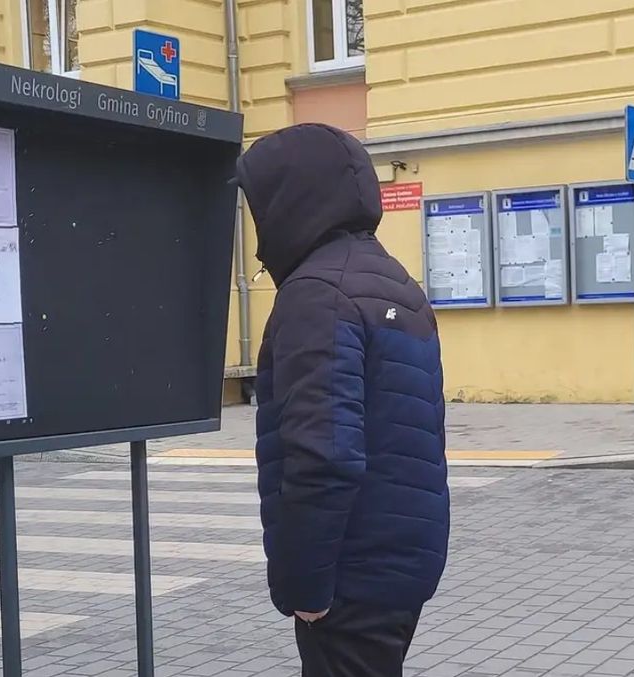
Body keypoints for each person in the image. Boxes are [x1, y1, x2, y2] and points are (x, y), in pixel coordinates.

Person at [235, 123, 450, 677]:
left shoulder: (318, 293)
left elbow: (324, 453)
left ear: (288, 201)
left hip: (349, 576)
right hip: (403, 564)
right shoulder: (396, 283)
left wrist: (305, 585)